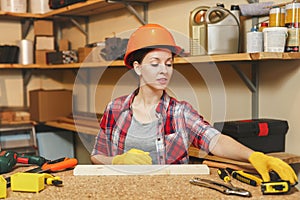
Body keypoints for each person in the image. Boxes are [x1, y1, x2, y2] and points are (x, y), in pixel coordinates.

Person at [91, 24, 298, 185]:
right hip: (124, 190)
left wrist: (254, 156)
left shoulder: (181, 112)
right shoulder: (115, 109)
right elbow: (97, 156)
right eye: (155, 63)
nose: (164, 70)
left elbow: (215, 141)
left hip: (173, 192)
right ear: (137, 67)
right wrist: (117, 162)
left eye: (169, 63)